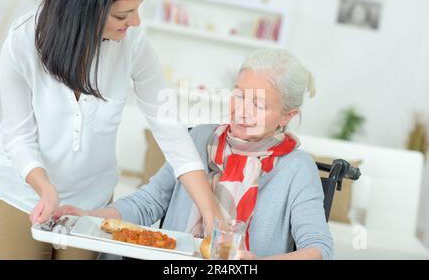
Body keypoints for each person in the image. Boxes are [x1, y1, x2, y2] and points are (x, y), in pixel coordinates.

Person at [0, 0, 220, 260]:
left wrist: (209, 209)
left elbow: (169, 127)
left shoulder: (133, 45)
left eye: (137, 9)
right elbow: (18, 136)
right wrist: (44, 187)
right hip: (23, 194)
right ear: (84, 10)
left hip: (91, 200)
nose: (135, 22)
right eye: (123, 14)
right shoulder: (22, 41)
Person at [56, 49, 334, 260]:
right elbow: (148, 202)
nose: (242, 111)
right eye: (239, 96)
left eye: (259, 105)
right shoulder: (199, 138)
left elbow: (318, 249)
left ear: (287, 115)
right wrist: (88, 216)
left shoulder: (297, 168)